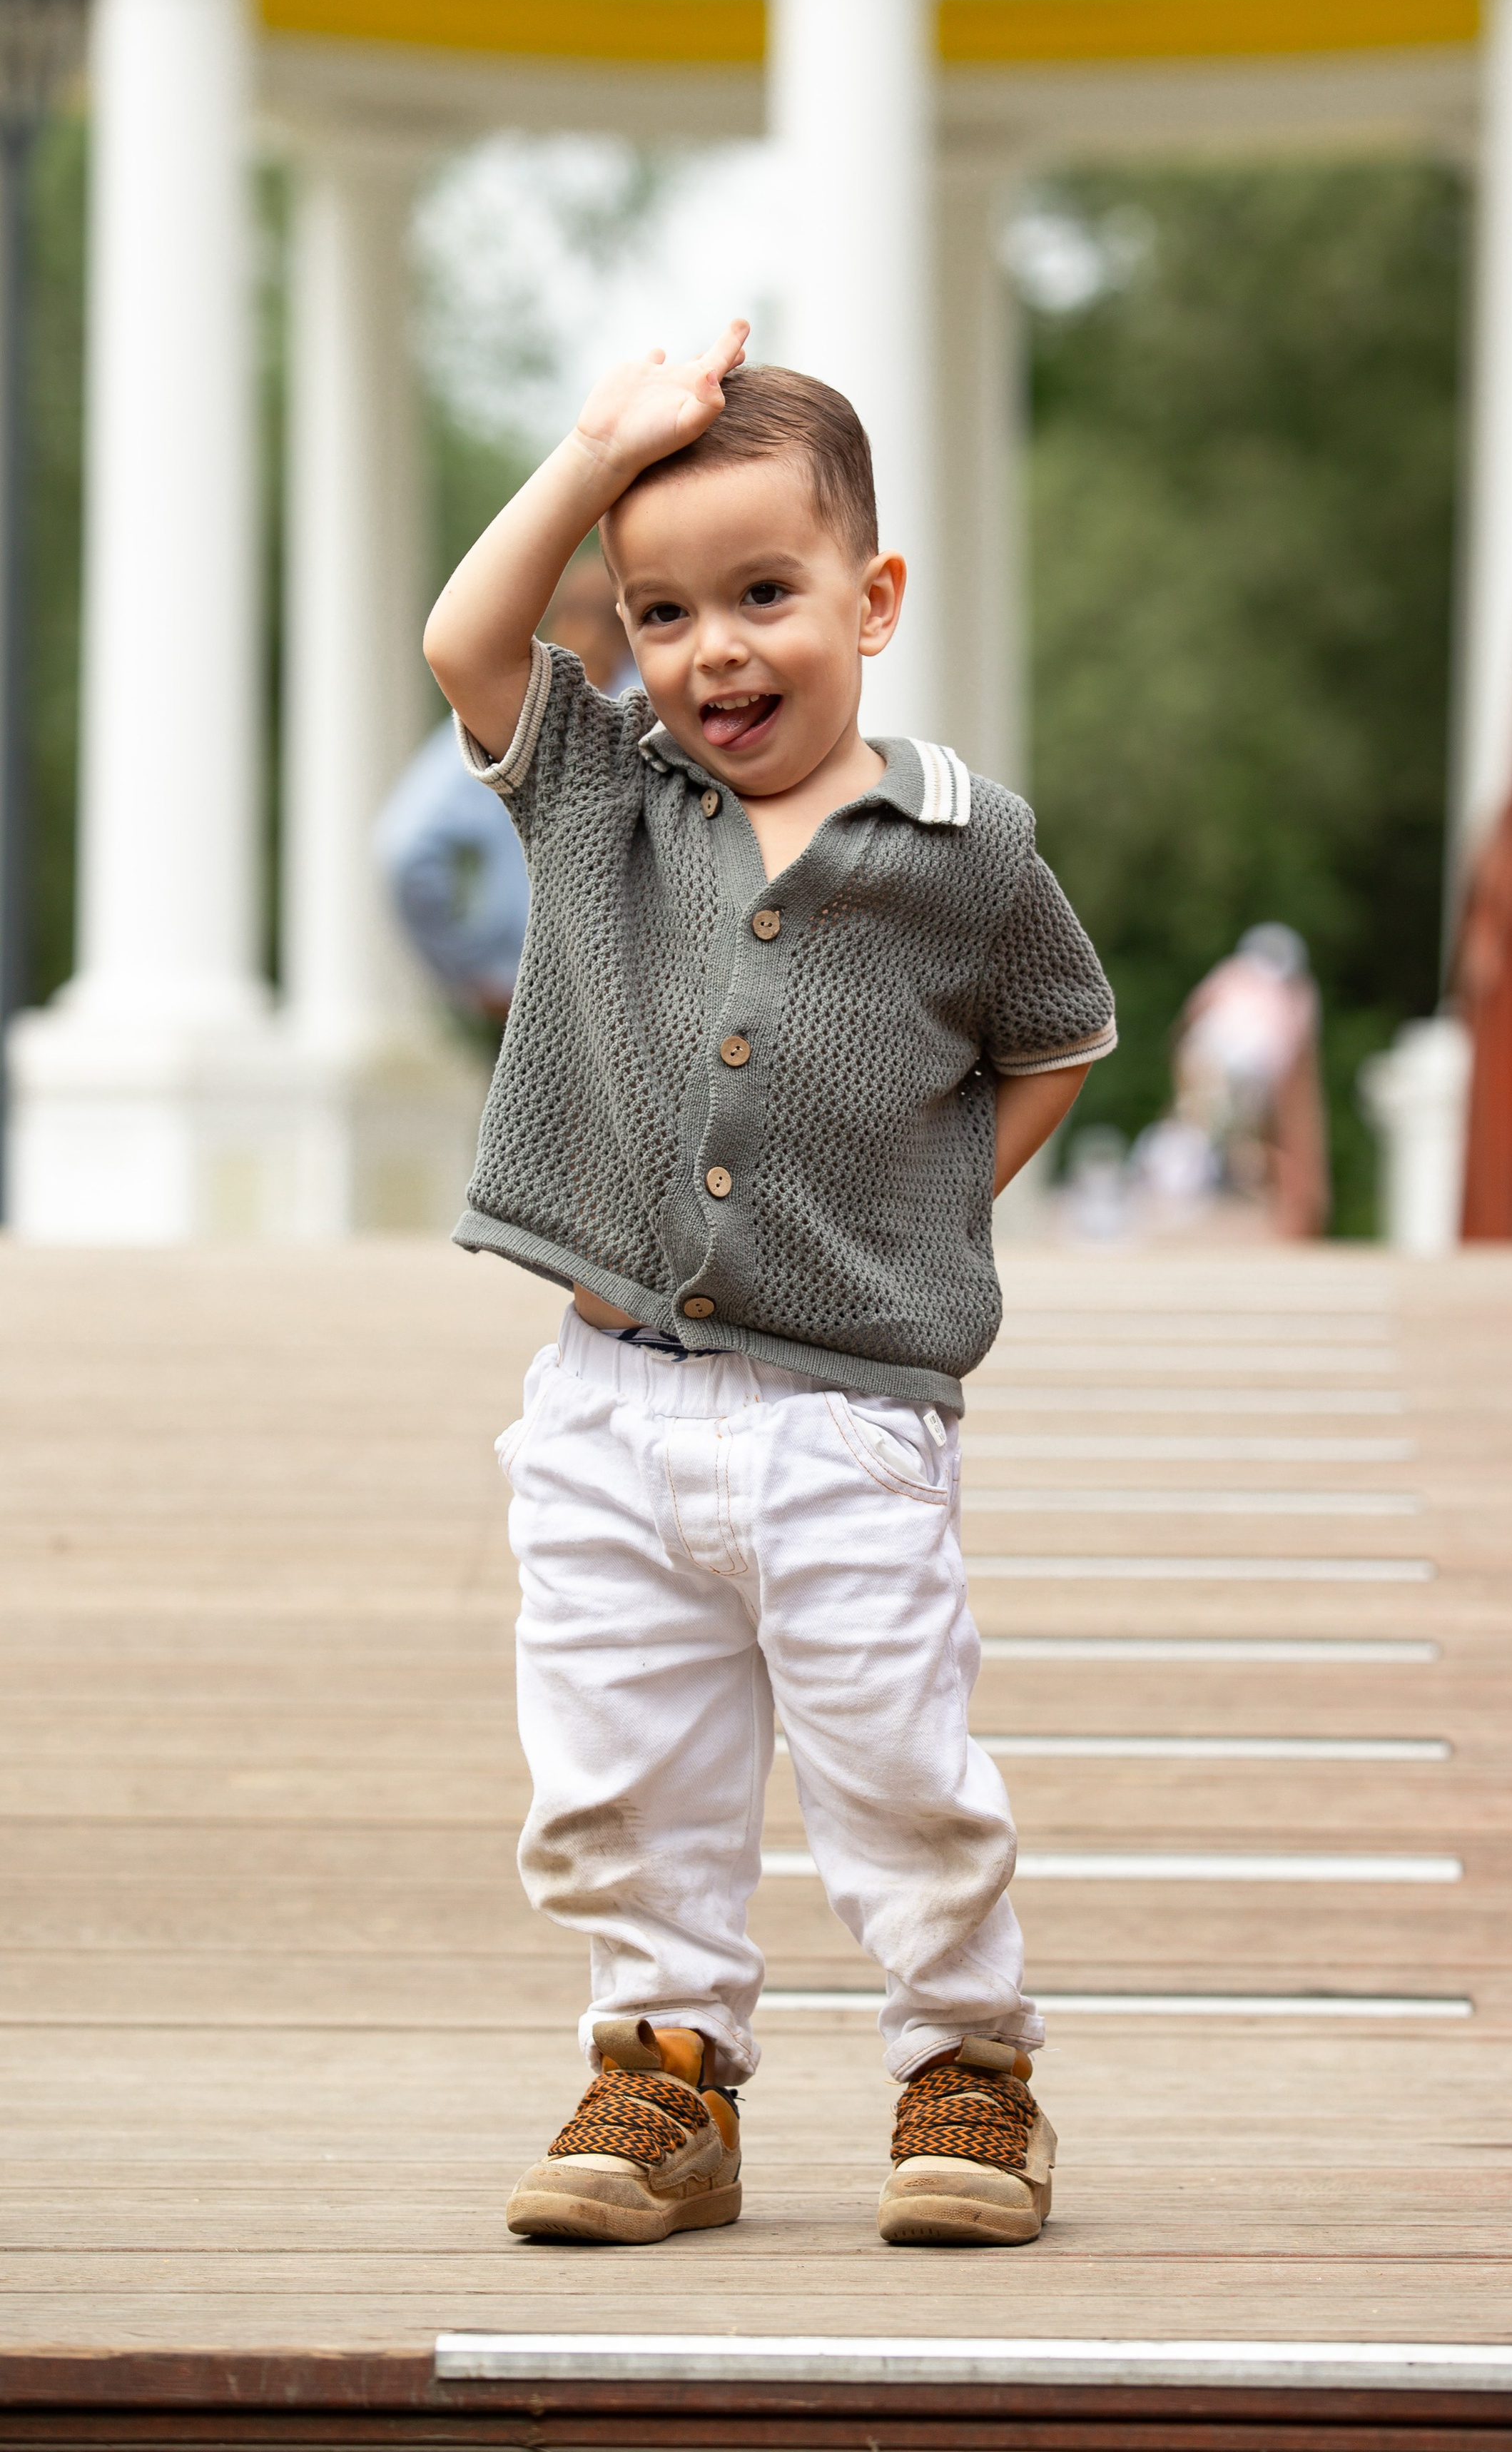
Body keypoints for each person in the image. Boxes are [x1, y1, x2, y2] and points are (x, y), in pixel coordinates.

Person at [422, 324, 1116, 2251]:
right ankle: (662, 2071)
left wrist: (920, 1215)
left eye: (762, 596)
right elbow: (465, 649)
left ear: (871, 600)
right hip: (605, 1404)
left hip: (848, 1416)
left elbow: (1059, 1034)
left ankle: (966, 2064)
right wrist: (585, 455)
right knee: (617, 1763)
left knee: (898, 1760)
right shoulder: (601, 802)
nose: (712, 649)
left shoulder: (967, 851)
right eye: (661, 611)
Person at [376, 560, 639, 1020]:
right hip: (655, 1000)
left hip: (534, 1000)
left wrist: (478, 973)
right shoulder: (672, 720)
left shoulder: (500, 718)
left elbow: (402, 849)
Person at [1167, 921, 1329, 1238]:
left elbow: (1191, 1018)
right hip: (1242, 1070)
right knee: (1234, 1137)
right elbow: (1294, 1067)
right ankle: (1222, 1191)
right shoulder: (1295, 996)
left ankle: (1198, 1193)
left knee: (1203, 1129)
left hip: (1209, 1059)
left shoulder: (1234, 975)